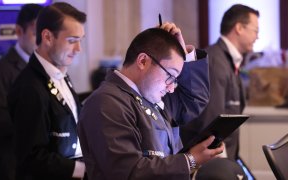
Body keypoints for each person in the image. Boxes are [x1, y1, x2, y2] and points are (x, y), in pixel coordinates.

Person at [78, 23, 224, 180]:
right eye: (170, 76)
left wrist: (182, 52)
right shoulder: (105, 102)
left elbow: (194, 100)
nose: (171, 88)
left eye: (175, 80)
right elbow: (128, 172)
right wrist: (190, 160)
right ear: (142, 61)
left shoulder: (150, 94)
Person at [8, 2, 86, 180]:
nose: (78, 49)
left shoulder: (61, 75)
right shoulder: (29, 87)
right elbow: (31, 157)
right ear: (48, 37)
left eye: (81, 40)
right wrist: (83, 170)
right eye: (72, 41)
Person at [181, 4, 259, 161]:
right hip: (213, 164)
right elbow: (211, 125)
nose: (257, 37)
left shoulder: (228, 60)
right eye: (255, 31)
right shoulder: (216, 62)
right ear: (239, 28)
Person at [0, 4, 43, 180]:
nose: (40, 41)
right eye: (34, 33)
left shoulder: (44, 67)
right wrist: (28, 116)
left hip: (41, 159)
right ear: (18, 31)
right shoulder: (0, 71)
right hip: (16, 164)